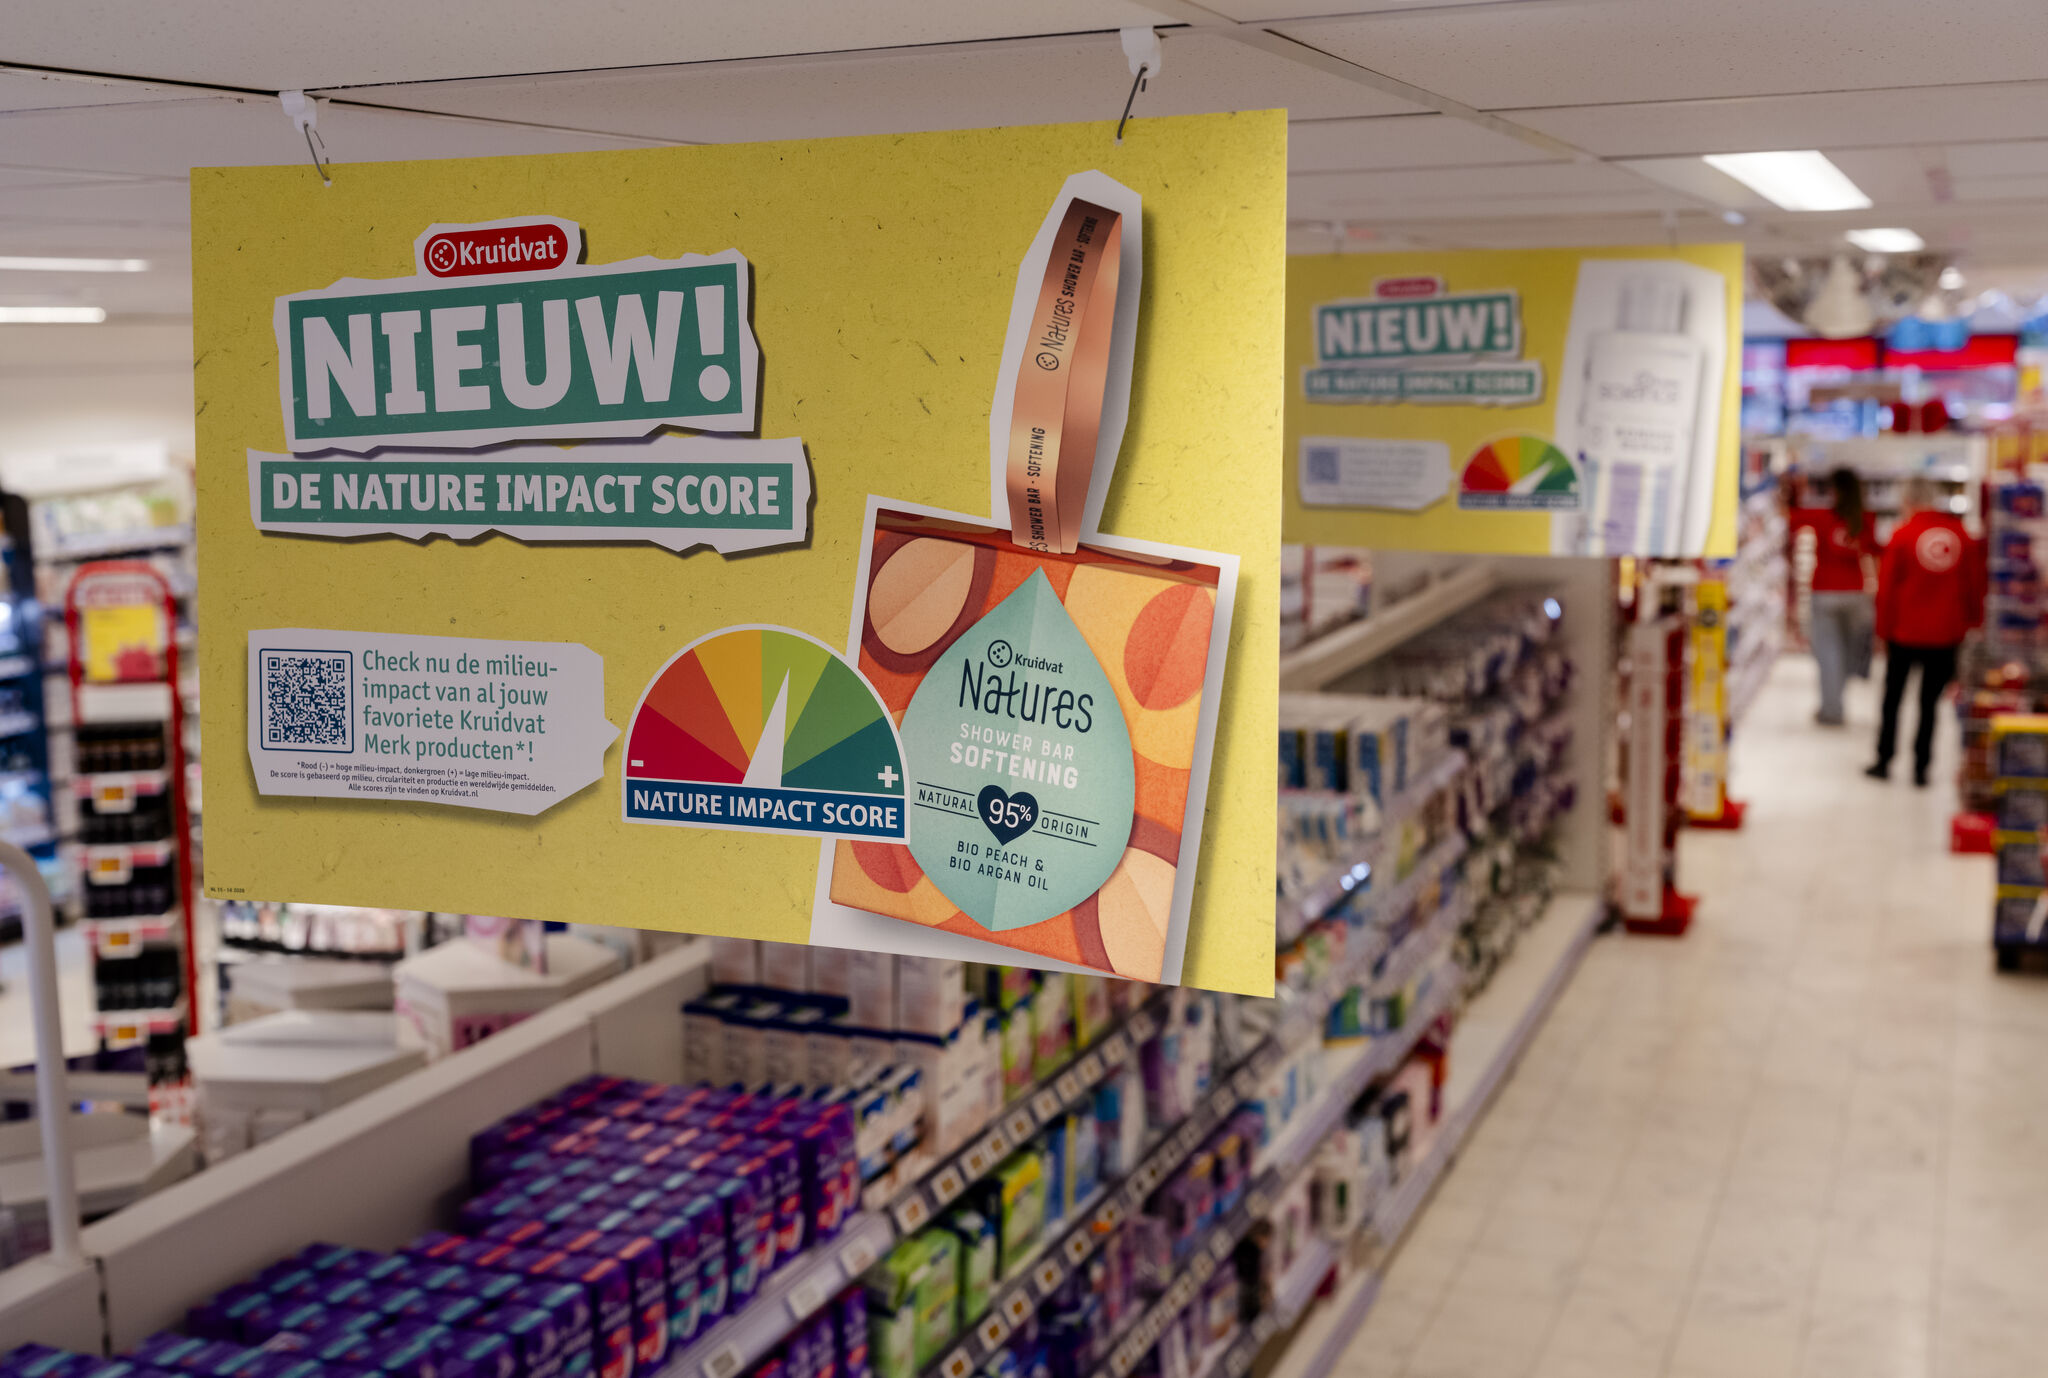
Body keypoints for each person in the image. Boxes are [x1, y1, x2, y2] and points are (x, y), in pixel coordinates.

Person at [1868, 476, 1984, 786]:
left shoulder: (1902, 535)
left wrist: (1882, 632)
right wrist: (1973, 623)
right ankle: (1922, 768)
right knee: (1929, 704)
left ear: (1907, 500)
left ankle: (1884, 760)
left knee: (1893, 699)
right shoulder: (1961, 535)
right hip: (1945, 634)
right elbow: (1974, 586)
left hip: (1903, 632)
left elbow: (1887, 590)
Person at [1793, 468, 1878, 725]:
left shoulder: (1823, 516)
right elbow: (1874, 551)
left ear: (1835, 491)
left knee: (1828, 654)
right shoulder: (1866, 518)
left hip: (1825, 592)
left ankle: (1832, 709)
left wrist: (1795, 488)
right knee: (1848, 654)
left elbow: (1792, 518)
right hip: (1856, 594)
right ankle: (1837, 701)